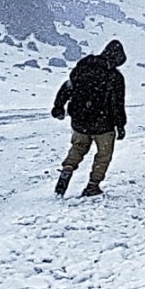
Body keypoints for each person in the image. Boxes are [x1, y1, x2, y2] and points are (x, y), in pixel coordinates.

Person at [49, 39, 128, 197]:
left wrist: (58, 106)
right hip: (103, 125)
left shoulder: (83, 68)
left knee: (78, 148)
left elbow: (67, 87)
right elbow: (117, 104)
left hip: (79, 121)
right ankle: (92, 186)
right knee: (103, 156)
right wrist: (120, 125)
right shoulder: (114, 77)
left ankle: (68, 168)